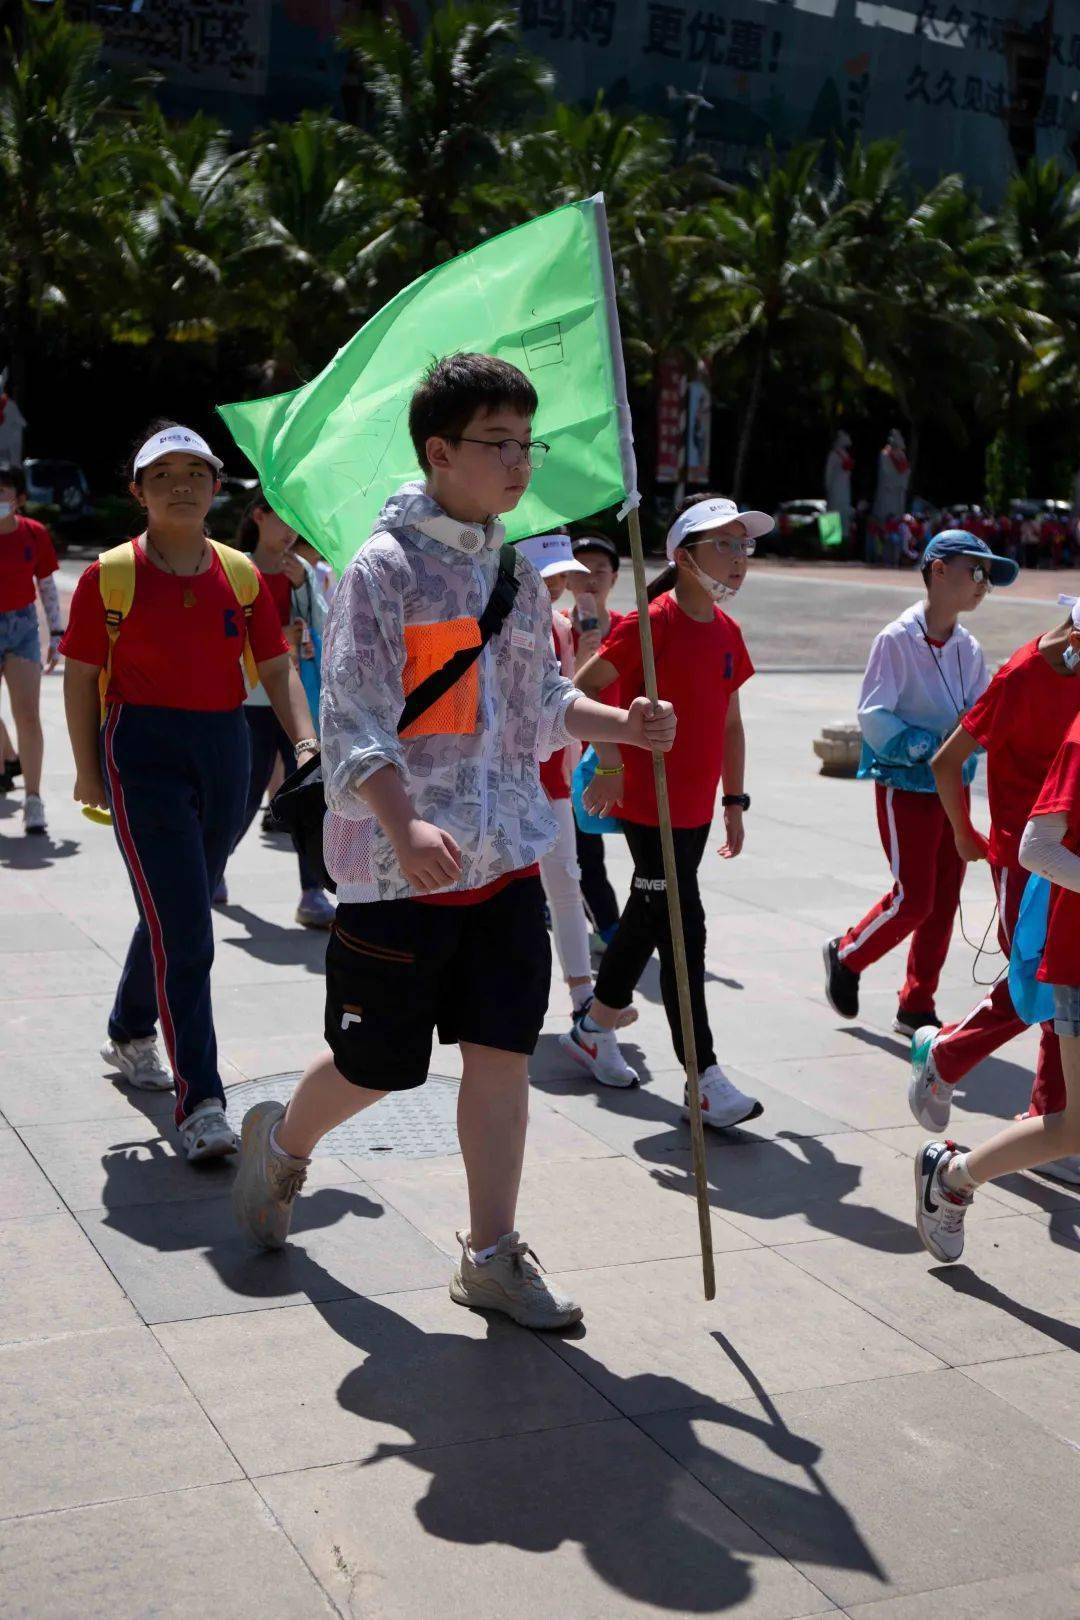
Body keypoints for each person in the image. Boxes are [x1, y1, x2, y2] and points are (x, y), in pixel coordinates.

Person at [229, 353, 675, 1330]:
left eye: (528, 442)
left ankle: (489, 1253)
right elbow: (351, 722)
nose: (519, 462)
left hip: (505, 861)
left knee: (501, 1056)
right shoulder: (382, 571)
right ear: (439, 452)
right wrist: (401, 817)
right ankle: (283, 1144)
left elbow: (541, 705)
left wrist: (618, 722)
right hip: (399, 876)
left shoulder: (513, 569)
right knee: (376, 1065)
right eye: (498, 443)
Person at [60, 421, 318, 1162]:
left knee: (181, 903)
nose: (182, 484)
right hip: (140, 750)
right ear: (137, 490)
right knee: (188, 926)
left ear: (216, 487)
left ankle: (130, 1026)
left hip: (225, 747)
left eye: (197, 472)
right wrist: (86, 767)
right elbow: (80, 676)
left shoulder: (240, 574)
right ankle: (201, 1102)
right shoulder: (108, 575)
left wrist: (303, 742)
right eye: (164, 472)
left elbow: (274, 666)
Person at [571, 493, 767, 1127]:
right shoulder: (649, 625)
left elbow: (731, 724)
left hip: (696, 806)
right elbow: (586, 689)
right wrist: (609, 761)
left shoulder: (729, 632)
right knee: (685, 926)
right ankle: (702, 1076)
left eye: (745, 546)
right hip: (647, 802)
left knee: (649, 910)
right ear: (684, 556)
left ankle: (595, 1024)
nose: (739, 559)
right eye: (725, 546)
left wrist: (734, 800)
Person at [823, 531, 1016, 1037]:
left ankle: (916, 1004)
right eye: (975, 571)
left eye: (987, 578)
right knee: (915, 897)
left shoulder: (969, 647)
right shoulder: (896, 639)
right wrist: (928, 748)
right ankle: (847, 953)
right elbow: (874, 715)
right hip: (904, 786)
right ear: (938, 569)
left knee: (944, 896)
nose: (982, 585)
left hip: (949, 788)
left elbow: (981, 713)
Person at [910, 610, 1080, 1179]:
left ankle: (1048, 1121)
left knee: (1057, 995)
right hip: (1026, 860)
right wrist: (963, 834)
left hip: (1066, 859)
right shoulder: (1020, 676)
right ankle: (948, 1057)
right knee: (1039, 986)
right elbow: (947, 760)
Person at [516, 530, 635, 1054]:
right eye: (554, 575)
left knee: (566, 878)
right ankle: (503, 999)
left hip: (553, 776)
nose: (562, 584)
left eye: (562, 575)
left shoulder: (565, 627)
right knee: (515, 893)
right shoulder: (501, 622)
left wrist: (585, 652)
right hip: (506, 777)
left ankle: (584, 997)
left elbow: (574, 697)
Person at [225, 489, 334, 928]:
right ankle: (212, 866)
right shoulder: (236, 569)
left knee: (310, 793)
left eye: (296, 521)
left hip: (298, 699)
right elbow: (223, 635)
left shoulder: (302, 569)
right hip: (251, 700)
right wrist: (276, 636)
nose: (290, 530)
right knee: (246, 794)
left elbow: (326, 626)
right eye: (281, 518)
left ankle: (312, 894)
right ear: (257, 516)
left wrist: (303, 589)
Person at [565, 532, 626, 944]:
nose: (591, 580)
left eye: (600, 571)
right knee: (585, 851)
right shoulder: (549, 628)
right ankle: (609, 927)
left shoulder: (629, 629)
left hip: (623, 753)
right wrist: (582, 656)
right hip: (572, 759)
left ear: (614, 578)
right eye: (581, 571)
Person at [0, 463, 63, 834]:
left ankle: (34, 799)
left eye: (4, 492)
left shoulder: (34, 534)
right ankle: (8, 756)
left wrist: (56, 632)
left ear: (20, 499)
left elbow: (47, 586)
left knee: (27, 714)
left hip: (21, 628)